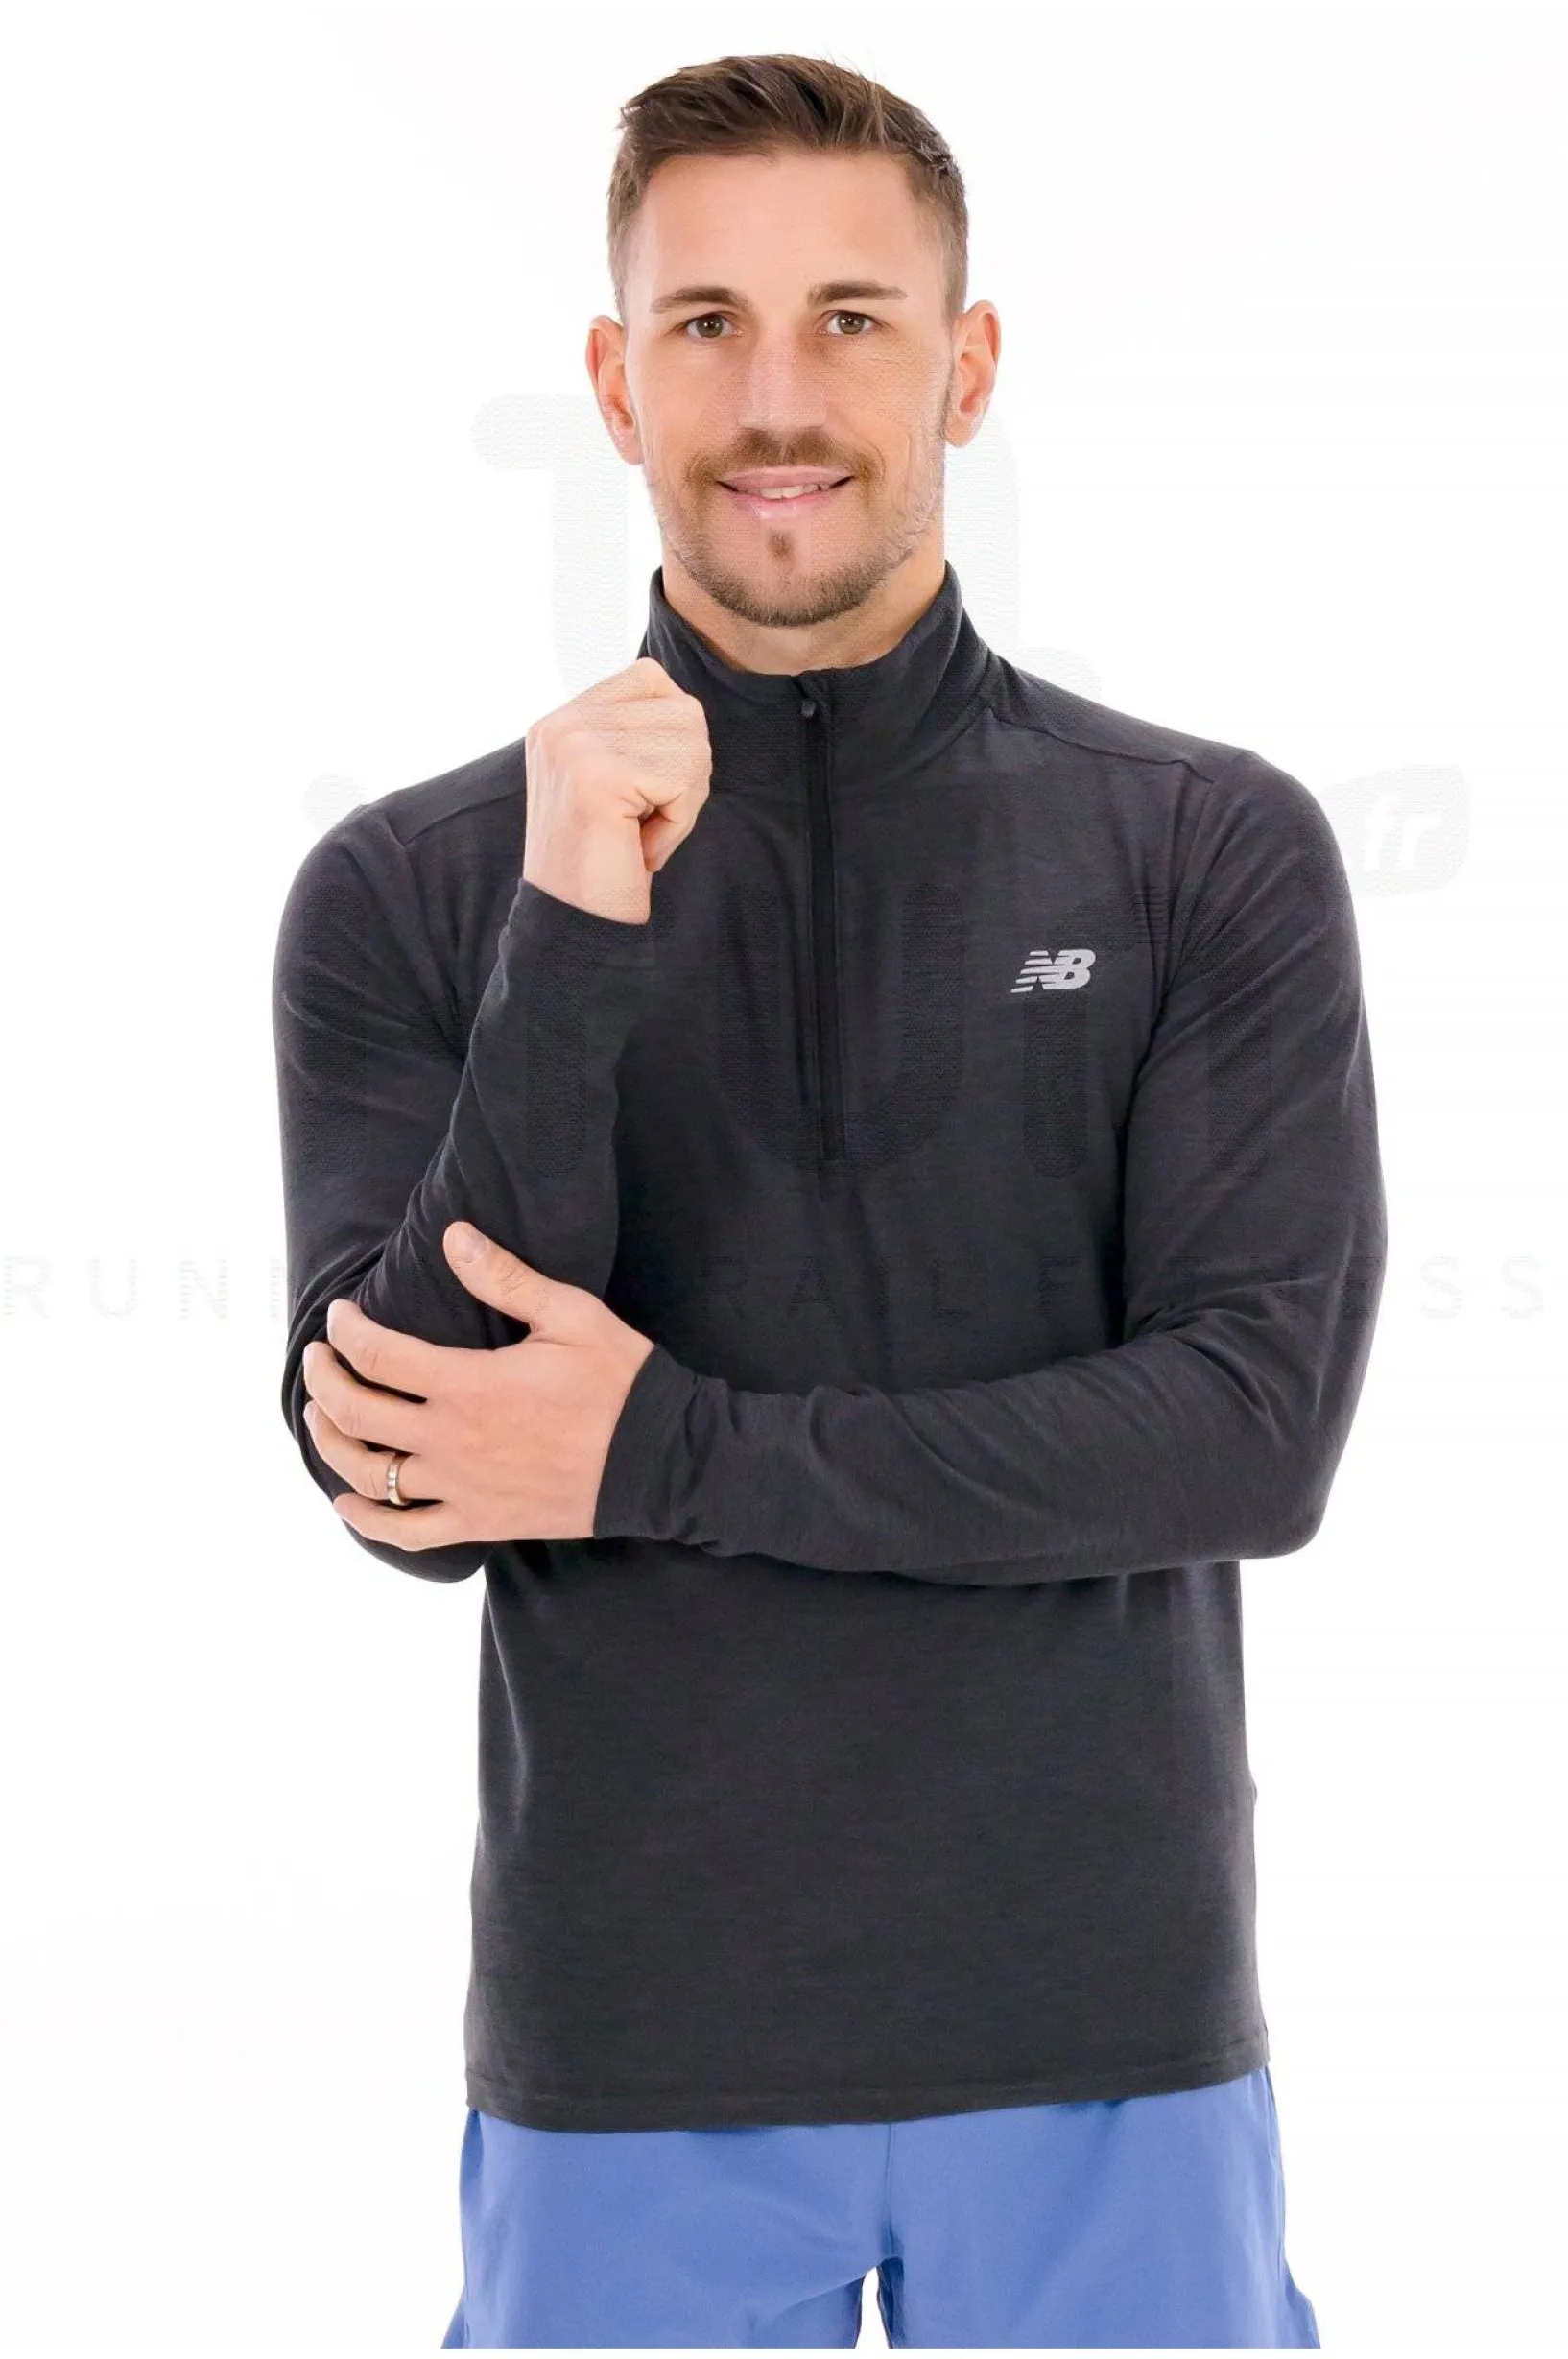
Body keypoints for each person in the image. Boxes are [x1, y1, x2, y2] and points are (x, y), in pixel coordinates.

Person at [271, 49, 1384, 2349]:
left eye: (850, 319)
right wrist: (569, 932)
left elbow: (1247, 1435)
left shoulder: (1203, 847)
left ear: (965, 368)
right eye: (707, 324)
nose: (777, 398)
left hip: (1105, 2028)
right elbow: (404, 1480)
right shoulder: (415, 886)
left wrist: (660, 1447)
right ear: (614, 382)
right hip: (628, 2050)